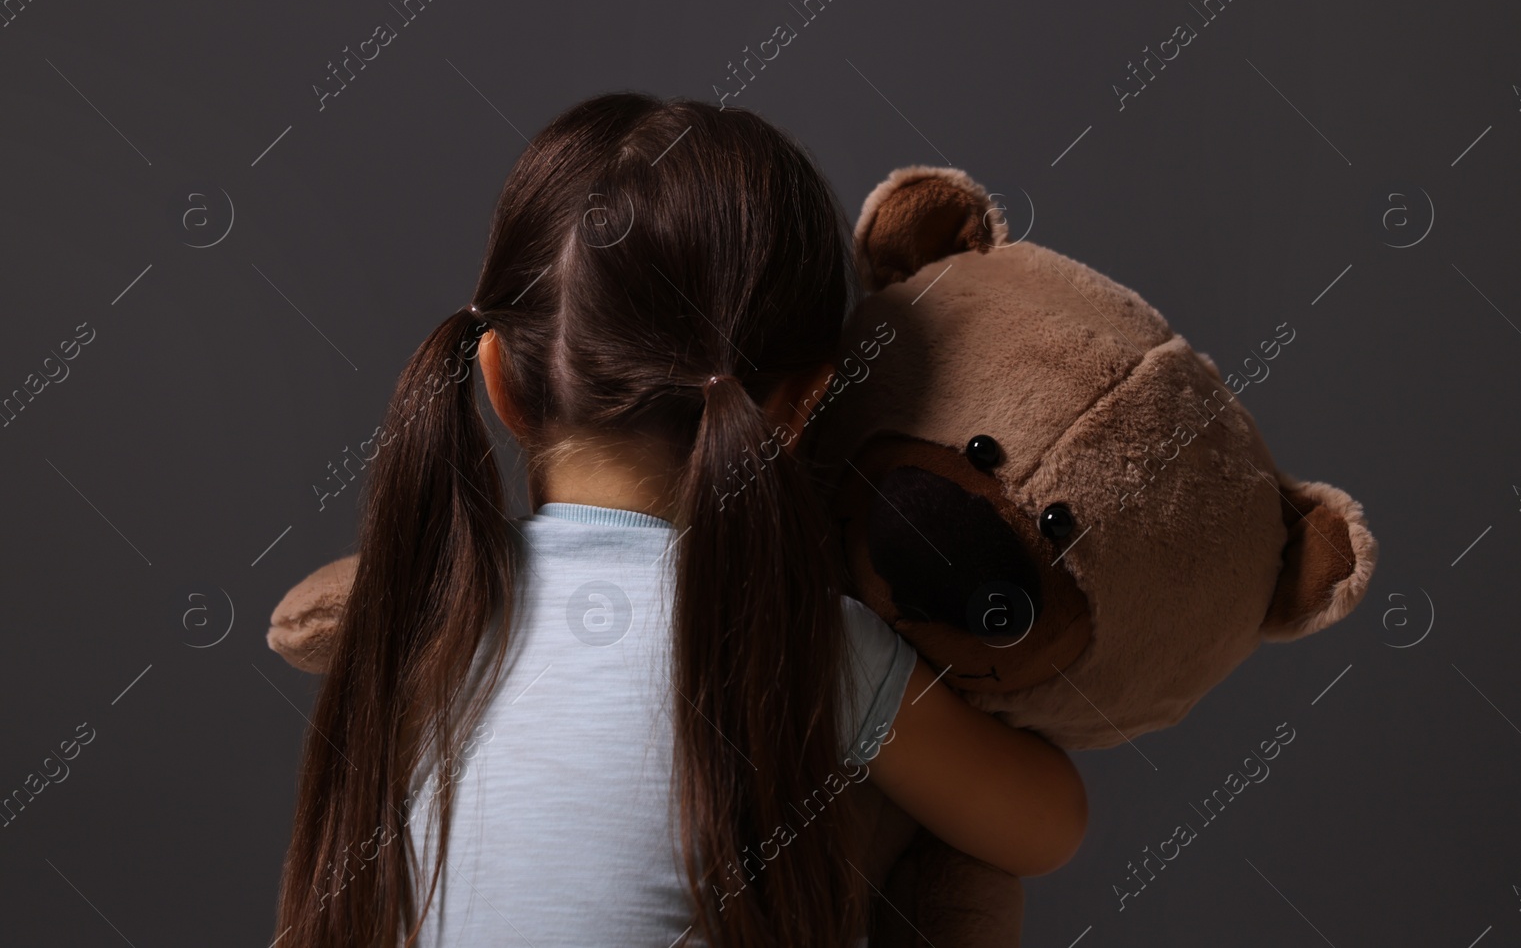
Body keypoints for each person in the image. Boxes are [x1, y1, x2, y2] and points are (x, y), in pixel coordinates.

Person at [271, 92, 1087, 948]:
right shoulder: (800, 637)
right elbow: (1043, 825)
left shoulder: (428, 615)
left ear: (497, 380)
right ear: (802, 405)